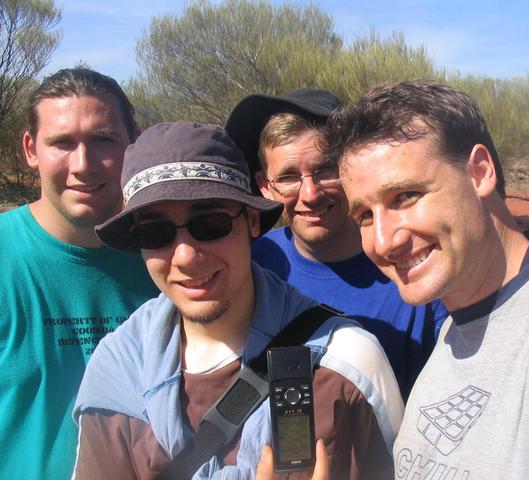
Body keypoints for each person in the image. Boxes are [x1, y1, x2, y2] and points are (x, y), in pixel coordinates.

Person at [325, 80, 529, 479]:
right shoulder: (454, 328)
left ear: (479, 172)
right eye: (365, 216)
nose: (384, 241)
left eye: (405, 196)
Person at [72, 122, 403, 479]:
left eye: (210, 224)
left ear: (253, 222)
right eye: (155, 232)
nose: (184, 256)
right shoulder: (119, 370)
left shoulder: (345, 364)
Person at [226, 89, 447, 398]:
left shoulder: (409, 266)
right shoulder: (251, 264)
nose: (310, 194)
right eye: (289, 177)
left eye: (325, 170)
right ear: (266, 187)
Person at [0, 68, 158, 479]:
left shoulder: (174, 258)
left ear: (134, 142)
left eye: (103, 140)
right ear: (31, 148)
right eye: (62, 143)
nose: (83, 165)